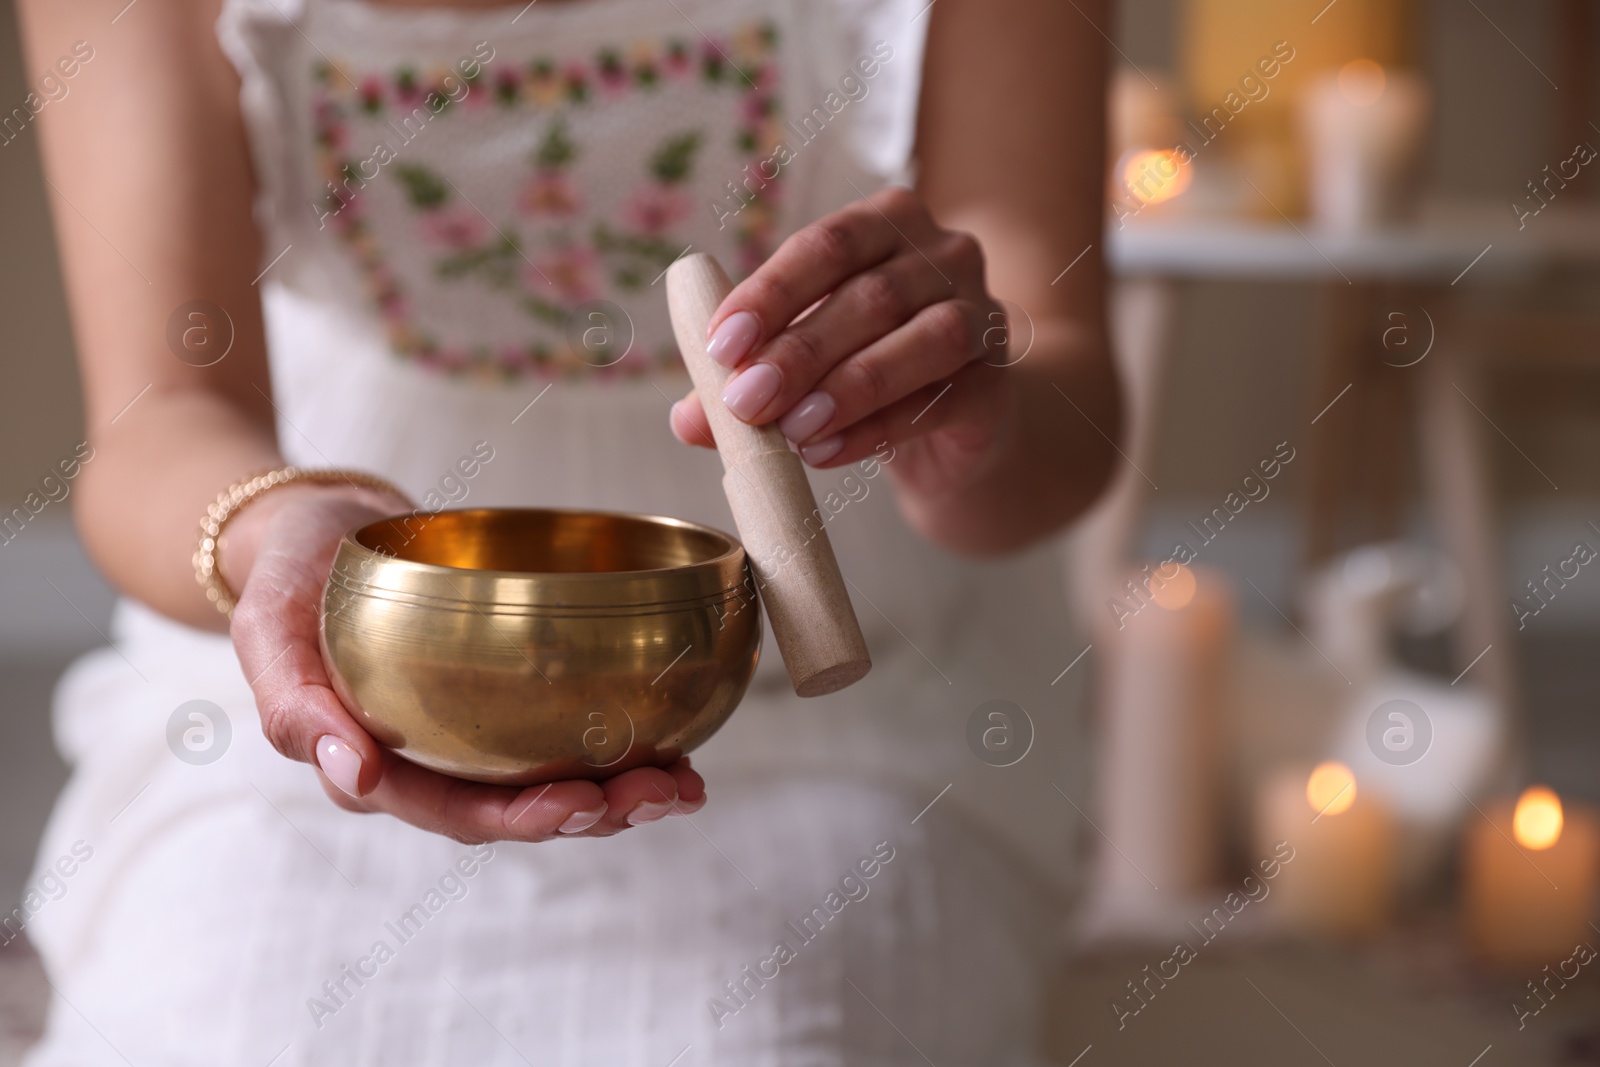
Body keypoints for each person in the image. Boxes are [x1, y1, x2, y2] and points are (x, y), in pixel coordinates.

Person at [17, 0, 1117, 1061]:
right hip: (317, 690)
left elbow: (1065, 394)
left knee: (756, 1039)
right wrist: (279, 530)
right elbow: (160, 419)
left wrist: (974, 420)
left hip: (843, 724)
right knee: (238, 1021)